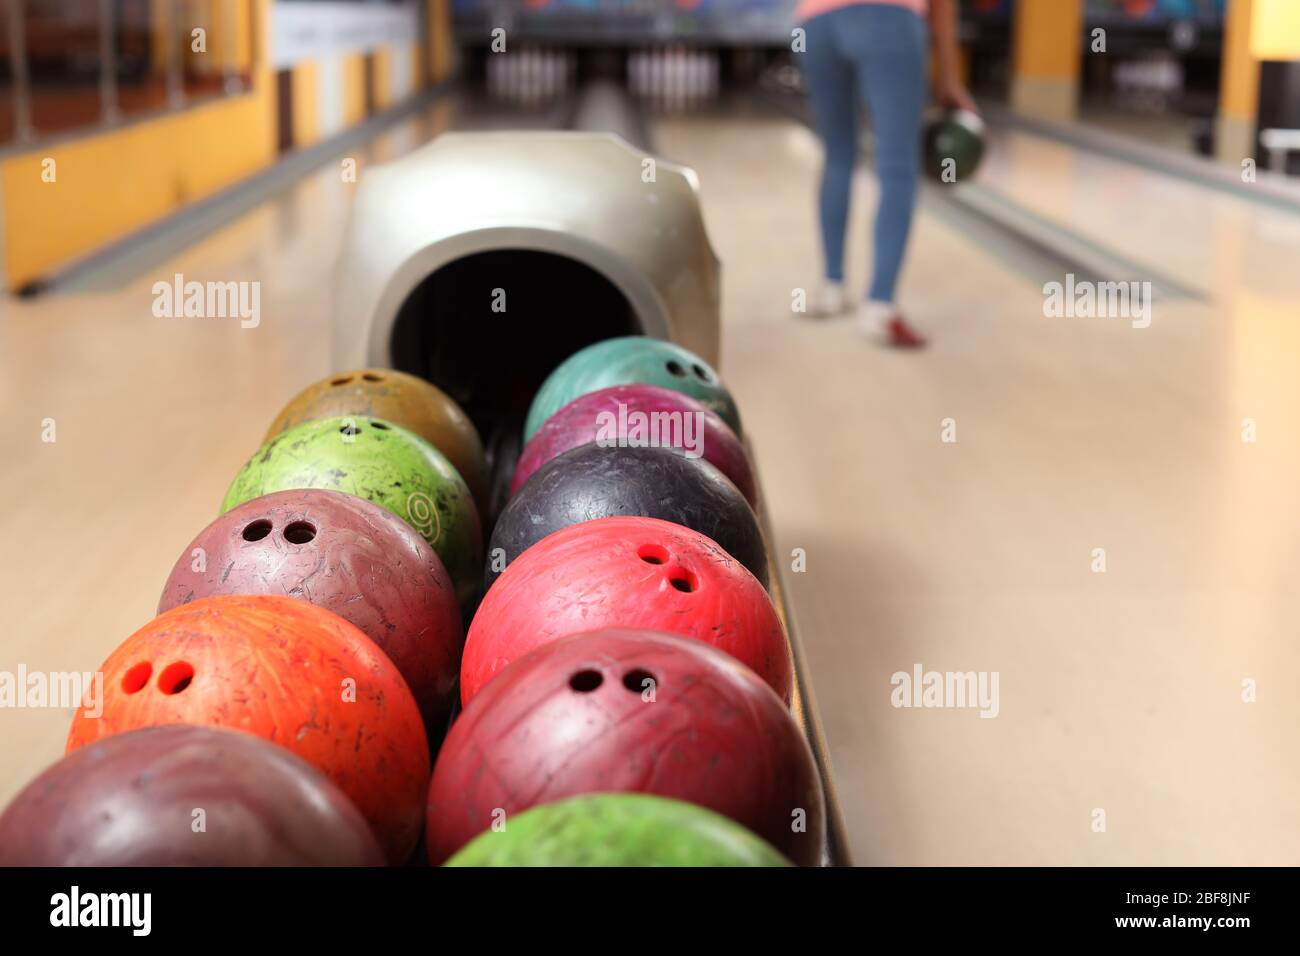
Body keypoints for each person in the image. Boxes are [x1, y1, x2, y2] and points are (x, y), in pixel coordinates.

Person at [797, 0, 976, 347]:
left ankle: (831, 287)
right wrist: (950, 77)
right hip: (889, 16)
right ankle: (879, 307)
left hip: (815, 23)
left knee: (837, 155)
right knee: (896, 164)